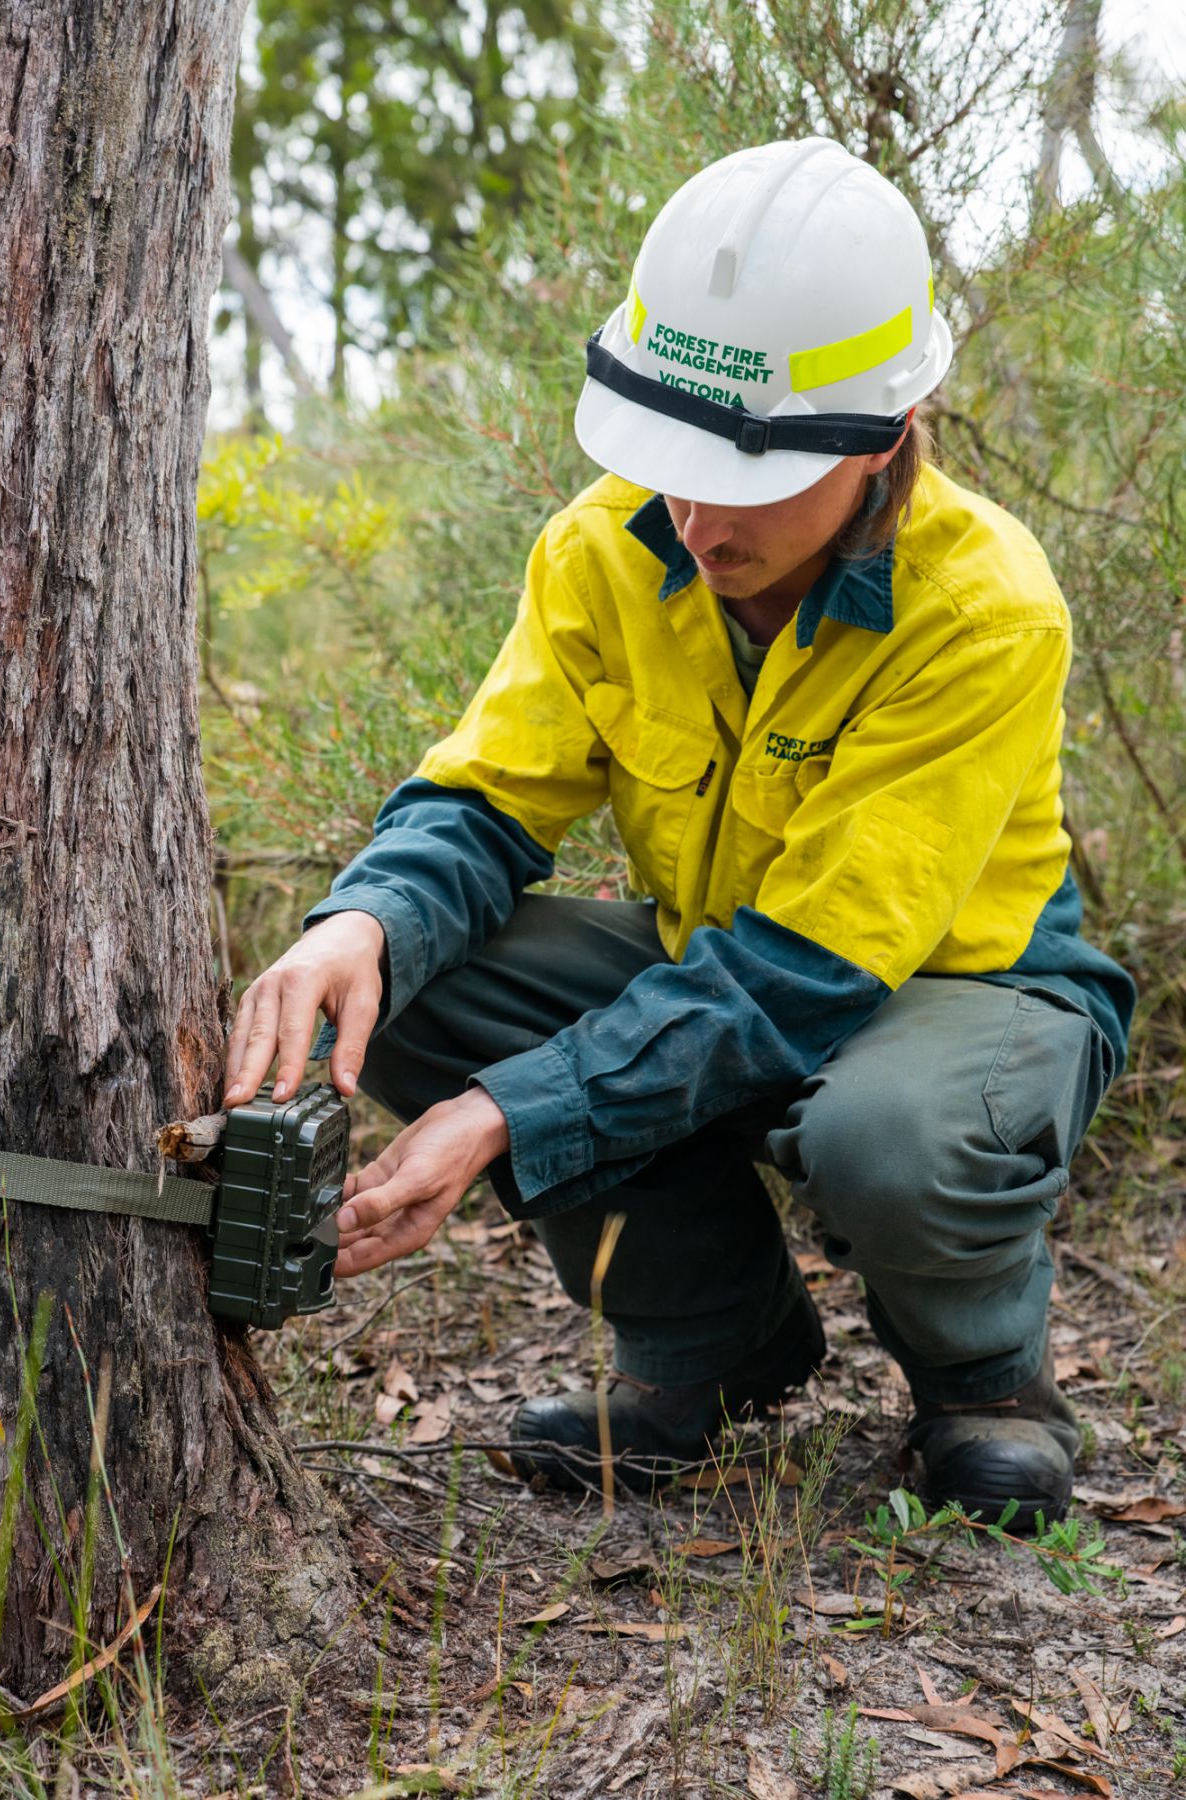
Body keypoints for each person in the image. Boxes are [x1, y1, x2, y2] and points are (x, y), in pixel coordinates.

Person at [223, 139, 1135, 1529]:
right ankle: (712, 1348)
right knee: (409, 985)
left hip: (965, 992)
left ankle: (985, 1381)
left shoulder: (984, 609)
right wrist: (362, 923)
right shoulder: (604, 547)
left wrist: (510, 1113)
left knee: (888, 1135)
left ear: (886, 436)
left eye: (750, 474)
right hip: (727, 961)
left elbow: (803, 979)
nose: (698, 517)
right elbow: (486, 800)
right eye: (672, 463)